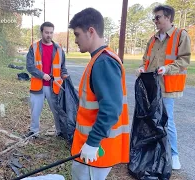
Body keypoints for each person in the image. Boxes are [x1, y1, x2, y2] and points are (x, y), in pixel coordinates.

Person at [68, 8, 130, 180]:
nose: (75, 40)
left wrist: (92, 142)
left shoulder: (103, 62)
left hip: (95, 150)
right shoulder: (100, 58)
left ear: (91, 31)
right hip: (92, 147)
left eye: (77, 34)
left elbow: (111, 109)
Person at [136, 5, 191, 170]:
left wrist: (167, 69)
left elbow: (184, 60)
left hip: (167, 87)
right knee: (151, 120)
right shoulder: (152, 39)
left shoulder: (181, 35)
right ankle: (155, 152)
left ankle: (174, 155)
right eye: (154, 18)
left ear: (168, 18)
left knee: (167, 121)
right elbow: (146, 59)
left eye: (158, 17)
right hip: (151, 86)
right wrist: (142, 68)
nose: (155, 21)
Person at [25, 21, 69, 138]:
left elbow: (63, 67)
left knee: (57, 111)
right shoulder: (34, 47)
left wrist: (65, 75)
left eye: (51, 33)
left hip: (54, 86)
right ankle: (34, 132)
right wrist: (42, 75)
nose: (49, 35)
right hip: (38, 85)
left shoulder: (59, 49)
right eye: (46, 32)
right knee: (35, 111)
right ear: (42, 32)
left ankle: (60, 132)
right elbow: (30, 66)